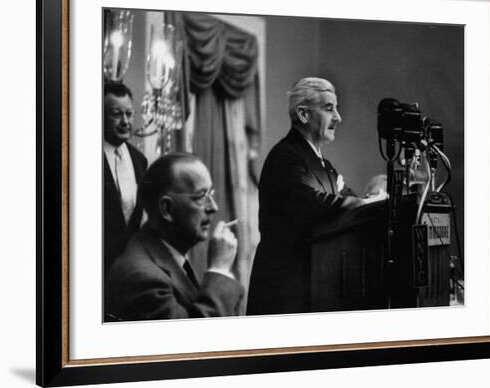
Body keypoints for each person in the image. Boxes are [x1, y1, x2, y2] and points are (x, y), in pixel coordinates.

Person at [247, 77, 386, 315]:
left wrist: (374, 197)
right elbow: (312, 204)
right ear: (303, 114)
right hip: (285, 290)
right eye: (329, 108)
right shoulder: (285, 157)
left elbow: (348, 202)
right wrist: (365, 203)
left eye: (337, 109)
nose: (338, 118)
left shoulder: (324, 166)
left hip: (315, 286)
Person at [105, 153, 244, 320]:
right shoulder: (142, 279)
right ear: (167, 209)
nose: (213, 207)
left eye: (211, 194)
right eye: (201, 197)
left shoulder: (162, 251)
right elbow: (198, 341)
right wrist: (219, 269)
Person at [103, 81, 148, 275]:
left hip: (129, 269)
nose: (125, 121)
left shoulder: (140, 161)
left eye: (129, 114)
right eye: (116, 114)